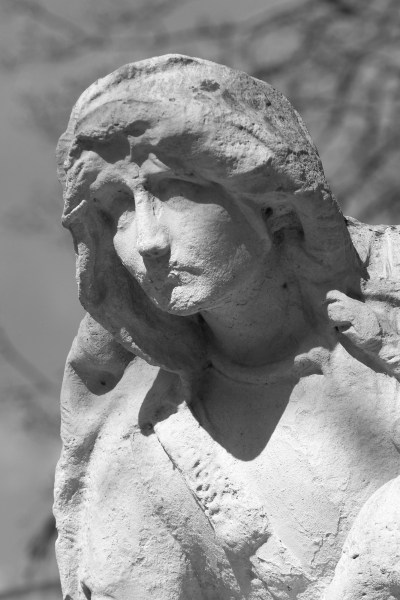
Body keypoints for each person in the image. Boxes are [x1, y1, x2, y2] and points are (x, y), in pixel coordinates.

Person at [56, 54, 400, 600]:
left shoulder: (388, 301)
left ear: (269, 199)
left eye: (172, 189)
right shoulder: (146, 436)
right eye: (119, 206)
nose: (148, 240)